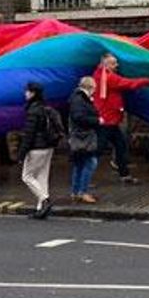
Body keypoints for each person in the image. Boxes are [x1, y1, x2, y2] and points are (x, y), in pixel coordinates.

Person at [92, 52, 149, 185]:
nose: (116, 65)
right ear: (105, 64)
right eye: (113, 63)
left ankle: (124, 174)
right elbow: (128, 83)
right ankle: (84, 177)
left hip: (110, 120)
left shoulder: (101, 75)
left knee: (120, 146)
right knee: (99, 150)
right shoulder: (108, 78)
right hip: (107, 121)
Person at [17, 82, 60, 220]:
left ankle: (45, 200)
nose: (25, 93)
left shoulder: (32, 111)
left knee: (27, 176)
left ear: (32, 93)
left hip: (36, 148)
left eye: (27, 91)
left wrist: (21, 153)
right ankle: (40, 209)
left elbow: (29, 134)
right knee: (42, 177)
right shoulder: (46, 108)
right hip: (48, 147)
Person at [68, 76, 103, 204]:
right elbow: (78, 117)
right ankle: (82, 192)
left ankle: (75, 192)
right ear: (90, 87)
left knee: (79, 164)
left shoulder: (78, 98)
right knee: (90, 163)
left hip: (81, 135)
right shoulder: (79, 99)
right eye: (94, 89)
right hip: (83, 136)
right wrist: (97, 120)